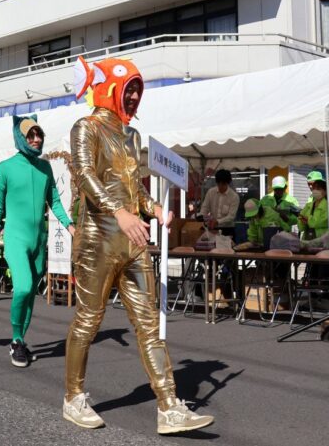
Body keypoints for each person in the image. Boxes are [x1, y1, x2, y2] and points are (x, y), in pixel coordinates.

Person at [63, 56, 213, 435]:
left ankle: (169, 406)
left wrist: (152, 207)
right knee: (88, 320)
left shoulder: (130, 136)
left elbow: (135, 185)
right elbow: (84, 175)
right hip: (98, 239)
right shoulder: (86, 126)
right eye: (128, 89)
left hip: (133, 241)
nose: (133, 97)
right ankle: (73, 397)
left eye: (137, 90)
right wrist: (120, 212)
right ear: (110, 89)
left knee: (149, 324)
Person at [0, 115, 74, 368]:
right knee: (22, 287)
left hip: (39, 240)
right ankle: (15, 340)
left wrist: (70, 226)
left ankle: (21, 340)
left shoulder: (45, 168)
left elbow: (54, 201)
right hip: (16, 238)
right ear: (20, 137)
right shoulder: (6, 168)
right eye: (30, 135)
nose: (36, 139)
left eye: (38, 134)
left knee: (31, 293)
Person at [297, 171, 329, 240]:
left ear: (325, 191)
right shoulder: (309, 204)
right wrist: (302, 222)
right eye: (313, 187)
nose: (313, 189)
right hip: (308, 238)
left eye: (318, 188)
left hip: (325, 240)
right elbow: (300, 220)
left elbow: (324, 221)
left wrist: (308, 220)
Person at [200, 169, 239, 239]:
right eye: (218, 184)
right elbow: (205, 208)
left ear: (228, 183)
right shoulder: (211, 192)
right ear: (216, 182)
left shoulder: (234, 197)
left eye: (223, 184)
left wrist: (217, 221)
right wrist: (203, 219)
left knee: (227, 249)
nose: (220, 186)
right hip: (212, 229)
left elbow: (231, 216)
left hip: (227, 230)